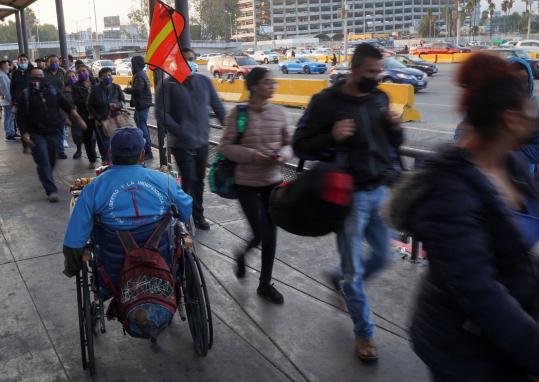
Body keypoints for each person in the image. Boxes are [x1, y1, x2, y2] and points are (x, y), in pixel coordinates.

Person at [387, 53, 539, 382]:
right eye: (529, 110)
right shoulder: (451, 189)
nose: (534, 116)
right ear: (510, 120)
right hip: (459, 346)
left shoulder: (511, 166)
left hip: (500, 337)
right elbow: (481, 293)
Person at [293, 43, 403, 362]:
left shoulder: (380, 98)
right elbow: (300, 146)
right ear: (353, 69)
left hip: (380, 190)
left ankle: (339, 282)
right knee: (353, 271)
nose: (376, 77)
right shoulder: (326, 102)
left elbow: (391, 145)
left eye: (378, 72)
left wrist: (395, 131)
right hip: (350, 197)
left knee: (384, 256)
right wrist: (332, 136)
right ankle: (364, 333)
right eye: (370, 72)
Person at [61, 127, 193, 277]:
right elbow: (185, 213)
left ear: (110, 154)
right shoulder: (166, 181)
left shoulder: (92, 189)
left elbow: (74, 242)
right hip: (162, 265)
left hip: (114, 275)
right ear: (142, 155)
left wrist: (71, 268)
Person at [219, 68, 293, 304]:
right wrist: (252, 155)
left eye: (272, 82)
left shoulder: (280, 113)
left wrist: (282, 155)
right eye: (266, 82)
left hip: (273, 182)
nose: (271, 85)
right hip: (246, 184)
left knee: (271, 235)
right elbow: (225, 147)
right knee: (260, 233)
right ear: (253, 87)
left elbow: (290, 144)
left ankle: (264, 284)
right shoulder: (237, 114)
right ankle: (242, 255)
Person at [156, 47, 226, 231]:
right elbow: (162, 115)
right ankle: (184, 215)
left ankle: (198, 214)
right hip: (181, 143)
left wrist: (229, 128)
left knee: (199, 180)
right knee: (189, 179)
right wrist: (179, 130)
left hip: (202, 141)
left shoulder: (204, 82)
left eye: (192, 58)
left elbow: (218, 107)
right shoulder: (167, 85)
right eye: (185, 59)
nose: (189, 61)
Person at [455, 57, 539, 178]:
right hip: (483, 173)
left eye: (523, 80)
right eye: (512, 80)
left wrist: (500, 153)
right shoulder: (485, 101)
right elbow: (461, 131)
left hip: (520, 176)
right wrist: (474, 151)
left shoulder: (534, 106)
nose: (518, 85)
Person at [17, 67, 87, 202]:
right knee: (43, 160)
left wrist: (78, 119)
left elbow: (67, 105)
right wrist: (24, 135)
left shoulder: (53, 91)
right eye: (35, 75)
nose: (38, 77)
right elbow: (20, 117)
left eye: (40, 75)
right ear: (30, 78)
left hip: (54, 132)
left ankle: (44, 173)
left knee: (51, 160)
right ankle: (51, 190)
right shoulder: (25, 95)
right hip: (37, 133)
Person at [87, 67, 125, 165]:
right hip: (102, 121)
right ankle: (109, 163)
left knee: (118, 142)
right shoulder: (95, 89)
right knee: (107, 144)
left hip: (116, 120)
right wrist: (97, 117)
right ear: (100, 78)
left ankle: (119, 162)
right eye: (104, 76)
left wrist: (117, 105)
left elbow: (123, 102)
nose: (107, 77)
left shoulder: (116, 87)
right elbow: (89, 105)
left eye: (109, 75)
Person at [73, 64, 103, 168]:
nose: (81, 73)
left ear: (88, 71)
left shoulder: (96, 82)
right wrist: (90, 101)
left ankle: (104, 159)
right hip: (85, 116)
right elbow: (77, 101)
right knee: (87, 139)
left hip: (98, 115)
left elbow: (101, 95)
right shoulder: (76, 86)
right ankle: (91, 160)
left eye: (83, 71)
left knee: (101, 138)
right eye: (79, 72)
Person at [123, 56, 153, 160]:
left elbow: (137, 89)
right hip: (141, 104)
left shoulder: (139, 75)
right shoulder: (140, 74)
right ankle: (145, 148)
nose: (131, 66)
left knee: (142, 127)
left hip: (141, 105)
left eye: (131, 64)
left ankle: (147, 150)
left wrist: (127, 90)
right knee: (141, 126)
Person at [60, 70, 84, 159]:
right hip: (73, 117)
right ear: (66, 79)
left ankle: (92, 151)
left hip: (85, 114)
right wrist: (65, 118)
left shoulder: (82, 87)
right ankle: (79, 150)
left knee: (90, 134)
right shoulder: (64, 92)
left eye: (73, 76)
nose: (72, 78)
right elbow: (61, 107)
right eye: (69, 77)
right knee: (76, 134)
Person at [0, 60, 19, 142]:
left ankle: (12, 133)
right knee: (8, 117)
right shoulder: (1, 76)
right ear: (3, 67)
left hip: (8, 99)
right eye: (7, 65)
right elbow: (5, 89)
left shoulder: (3, 75)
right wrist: (10, 100)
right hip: (7, 100)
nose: (9, 67)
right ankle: (8, 134)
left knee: (11, 117)